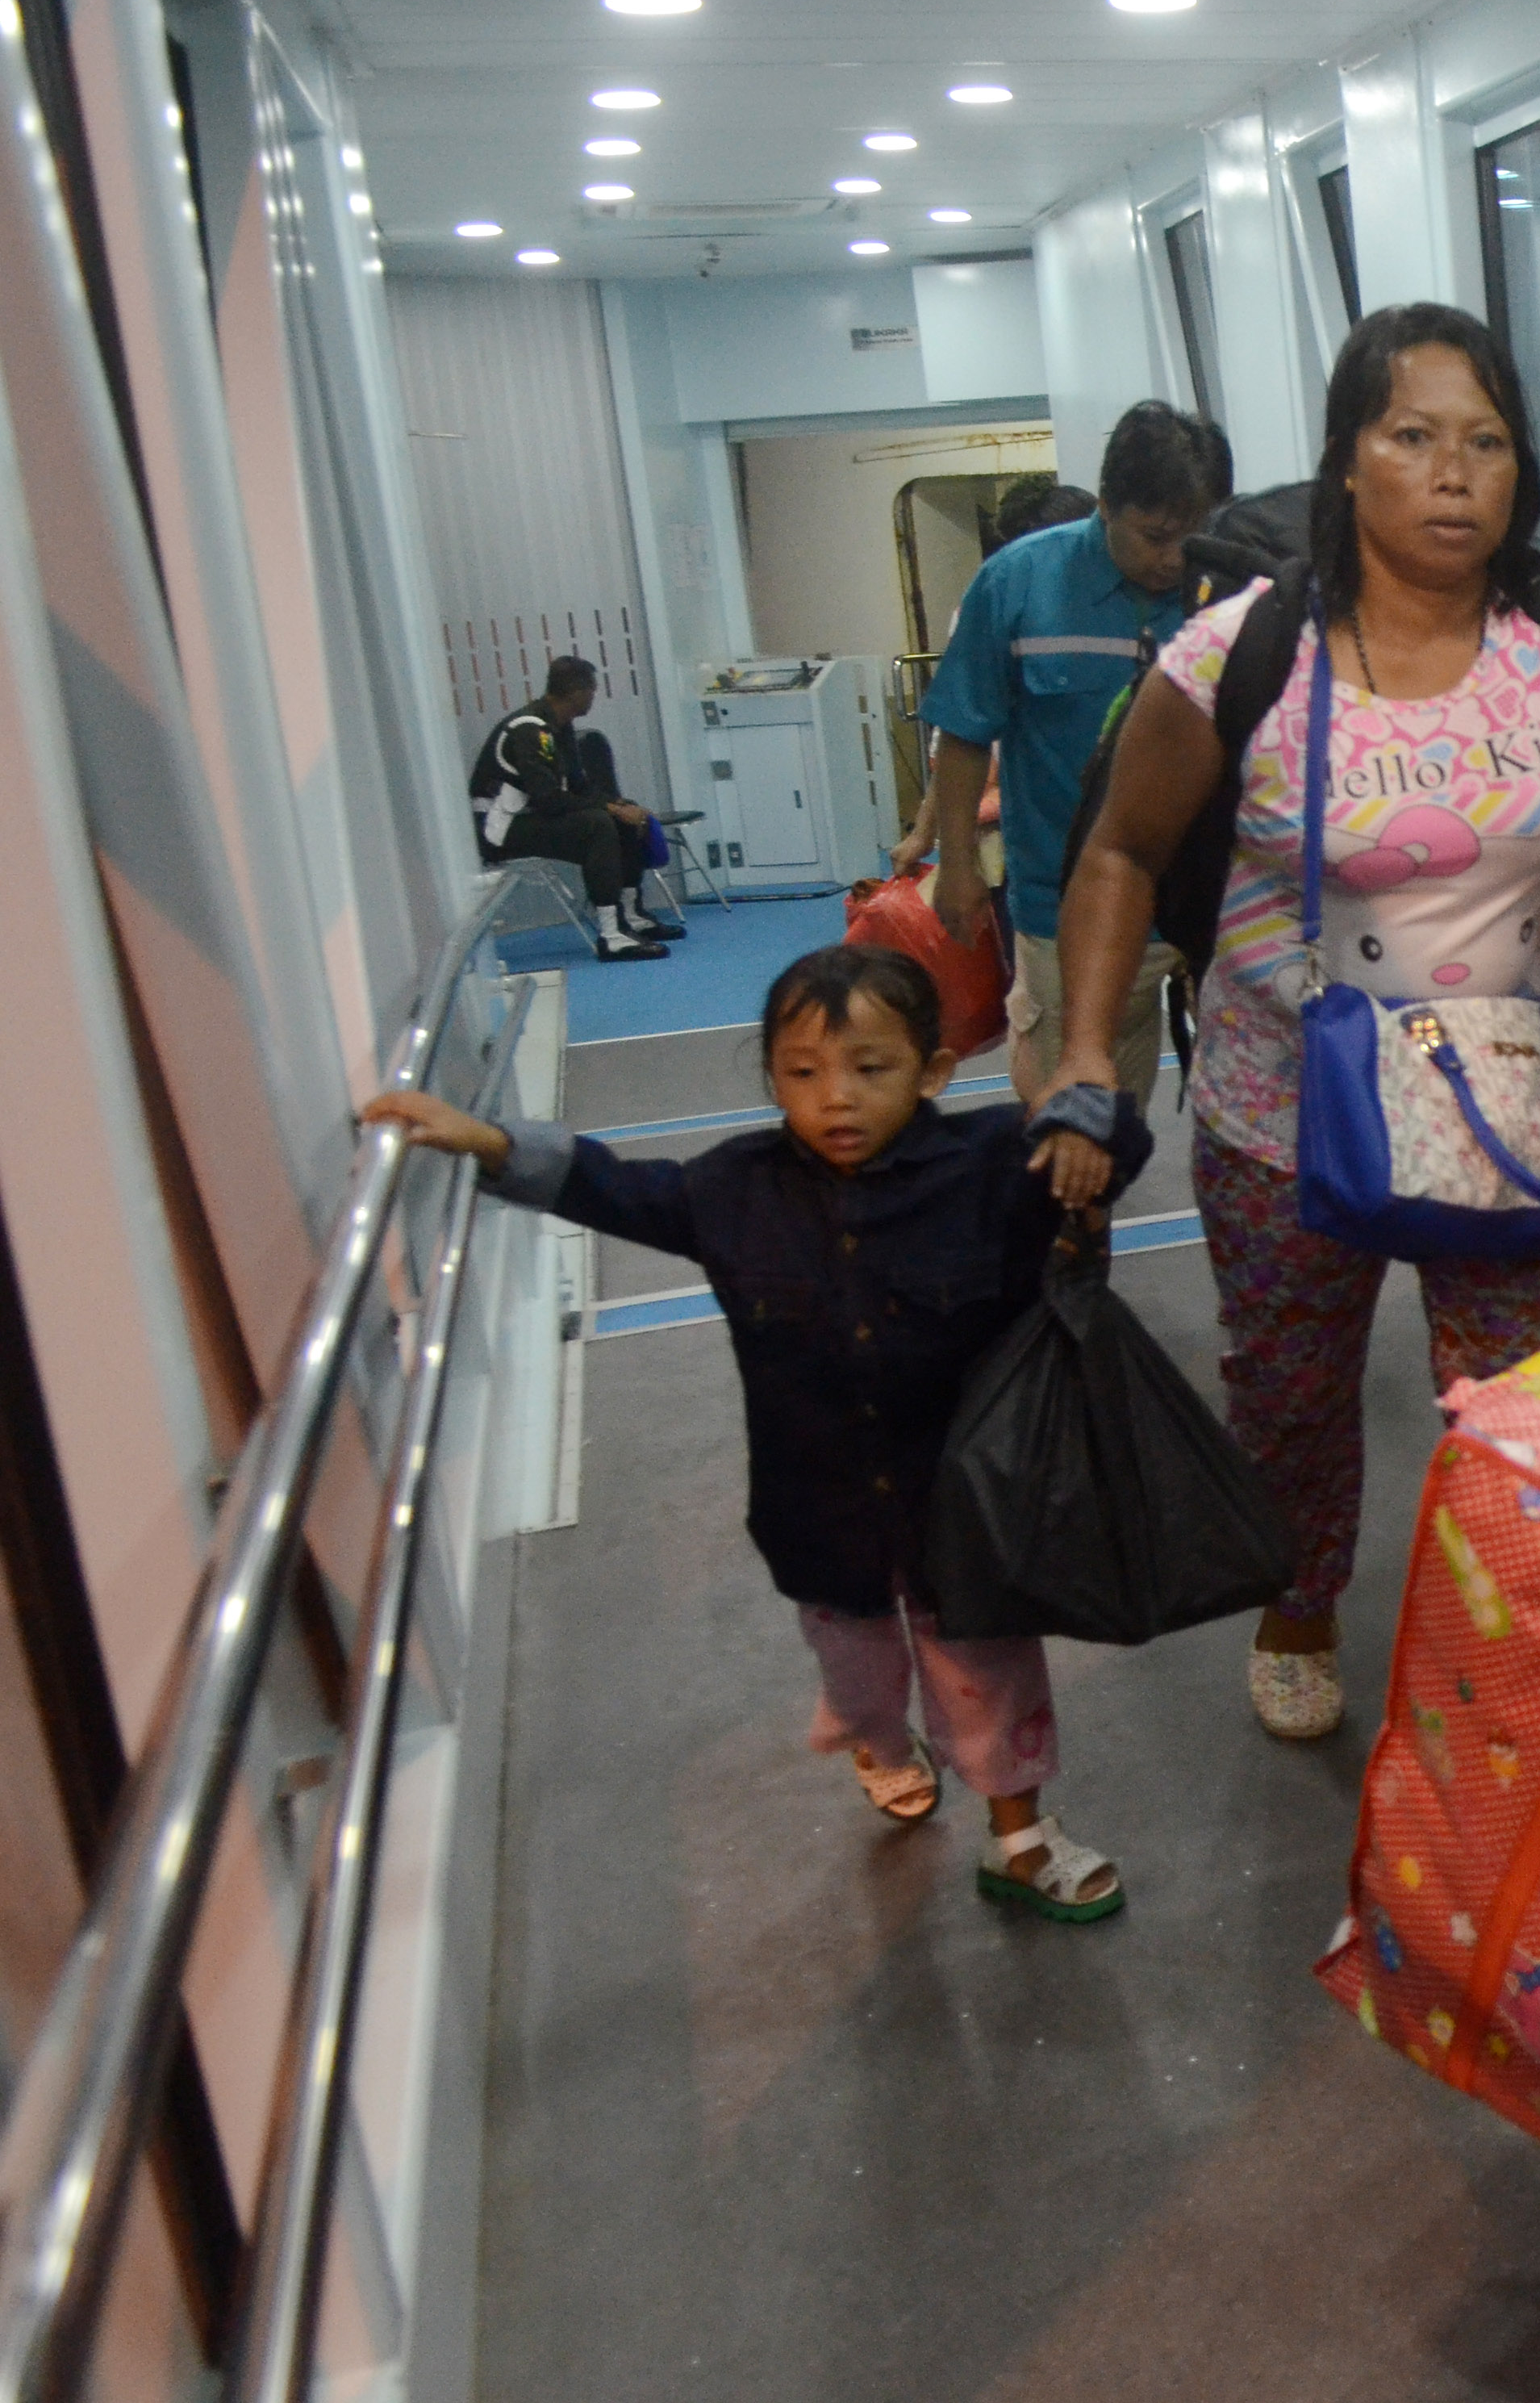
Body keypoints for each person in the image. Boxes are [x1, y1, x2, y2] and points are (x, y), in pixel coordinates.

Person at [1050, 304, 1540, 1741]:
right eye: (1413, 436)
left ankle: (1524, 1631)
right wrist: (1081, 1053)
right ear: (1346, 458)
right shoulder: (1241, 653)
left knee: (1526, 1399)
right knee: (1293, 1394)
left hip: (1511, 1100)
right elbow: (1119, 851)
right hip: (1294, 1110)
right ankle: (1299, 1600)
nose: (1452, 472)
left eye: (1485, 441)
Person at [365, 944, 1153, 1920]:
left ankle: (1020, 1840)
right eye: (802, 1072)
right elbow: (613, 1187)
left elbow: (1120, 1149)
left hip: (969, 1508)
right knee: (860, 1681)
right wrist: (486, 1143)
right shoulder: (734, 1188)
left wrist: (1085, 1118)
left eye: (871, 1068)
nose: (836, 1098)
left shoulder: (993, 1164)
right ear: (771, 1079)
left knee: (990, 1676)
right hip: (818, 1517)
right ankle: (879, 1741)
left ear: (934, 1072)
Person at [921, 404, 1229, 1105]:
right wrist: (958, 865)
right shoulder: (1018, 582)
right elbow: (965, 732)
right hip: (1066, 907)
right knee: (1078, 1118)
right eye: (1155, 537)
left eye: (1194, 535)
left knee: (1257, 1109)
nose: (1174, 559)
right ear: (1106, 505)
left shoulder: (1232, 587)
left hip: (1213, 900)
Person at [891, 480, 1099, 880]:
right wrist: (926, 834)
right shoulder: (993, 603)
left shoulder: (1131, 607)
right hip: (1027, 832)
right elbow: (963, 735)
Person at [470, 654, 672, 959]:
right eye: (592, 690)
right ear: (577, 692)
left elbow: (579, 787)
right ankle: (611, 935)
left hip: (527, 817)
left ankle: (631, 916)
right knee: (598, 824)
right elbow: (548, 800)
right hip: (499, 828)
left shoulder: (559, 728)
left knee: (623, 818)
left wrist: (622, 807)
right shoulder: (530, 730)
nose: (594, 697)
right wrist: (611, 810)